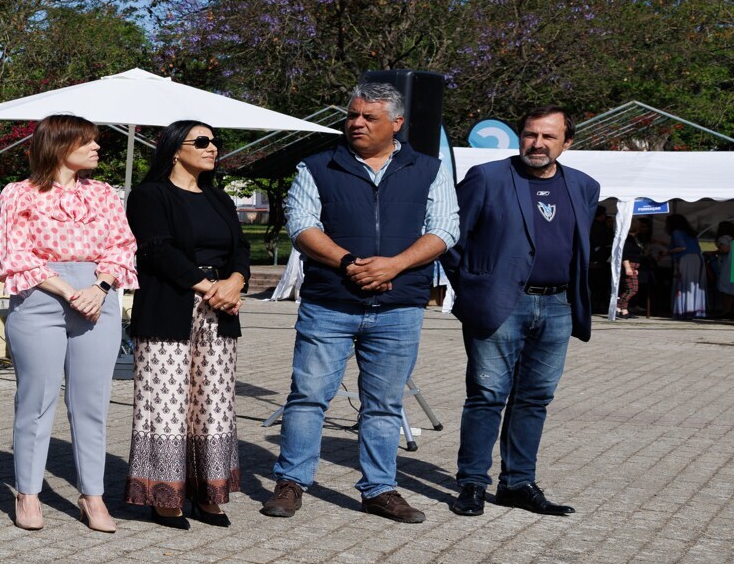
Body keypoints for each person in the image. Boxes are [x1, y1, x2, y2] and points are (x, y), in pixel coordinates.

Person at [262, 81, 458, 524]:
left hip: (399, 306)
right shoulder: (317, 165)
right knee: (308, 397)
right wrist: (349, 262)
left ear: (397, 123)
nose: (357, 123)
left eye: (370, 117)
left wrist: (394, 265)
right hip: (329, 304)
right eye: (352, 115)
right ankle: (291, 482)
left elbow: (445, 229)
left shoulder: (429, 169)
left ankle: (379, 489)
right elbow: (302, 227)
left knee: (384, 404)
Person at [443, 106, 601, 518]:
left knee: (535, 398)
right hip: (500, 303)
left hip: (558, 305)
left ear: (567, 142)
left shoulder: (584, 186)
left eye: (549, 137)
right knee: (487, 396)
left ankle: (517, 483)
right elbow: (450, 235)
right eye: (531, 134)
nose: (537, 143)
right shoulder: (487, 177)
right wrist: (472, 285)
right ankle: (472, 483)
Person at [0, 115, 138, 532]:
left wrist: (100, 286)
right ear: (59, 145)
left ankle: (93, 495)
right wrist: (68, 290)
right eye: (87, 141)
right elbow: (14, 254)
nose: (96, 148)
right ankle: (28, 493)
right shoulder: (18, 194)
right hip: (40, 298)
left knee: (92, 402)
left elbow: (123, 246)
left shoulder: (104, 194)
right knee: (36, 400)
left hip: (97, 299)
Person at [124, 122, 248, 529]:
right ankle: (164, 495)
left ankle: (208, 492)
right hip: (168, 307)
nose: (213, 148)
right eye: (202, 141)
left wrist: (235, 282)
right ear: (176, 149)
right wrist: (211, 287)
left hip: (220, 309)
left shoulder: (220, 198)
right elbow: (156, 249)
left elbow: (241, 249)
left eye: (215, 142)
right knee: (165, 403)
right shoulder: (149, 195)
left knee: (214, 403)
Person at [668, 213, 707, 319]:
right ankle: (694, 309)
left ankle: (685, 309)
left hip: (686, 259)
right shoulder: (690, 232)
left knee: (684, 284)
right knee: (695, 284)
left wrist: (668, 252)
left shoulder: (676, 232)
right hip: (697, 258)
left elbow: (682, 247)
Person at [616, 220, 647, 318]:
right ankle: (618, 307)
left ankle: (623, 310)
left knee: (629, 288)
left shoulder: (634, 238)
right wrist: (628, 267)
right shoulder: (628, 238)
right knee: (632, 289)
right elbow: (624, 254)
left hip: (634, 266)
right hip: (629, 265)